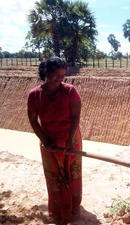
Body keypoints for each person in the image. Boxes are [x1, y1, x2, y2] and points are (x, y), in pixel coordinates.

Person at [27, 56, 82, 224]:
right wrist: (45, 140)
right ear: (46, 72)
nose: (60, 79)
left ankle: (73, 207)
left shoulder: (70, 91)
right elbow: (33, 120)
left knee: (72, 174)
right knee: (55, 177)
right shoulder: (35, 95)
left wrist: (68, 142)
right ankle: (59, 209)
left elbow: (75, 117)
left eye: (63, 75)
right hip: (48, 142)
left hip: (71, 139)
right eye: (56, 75)